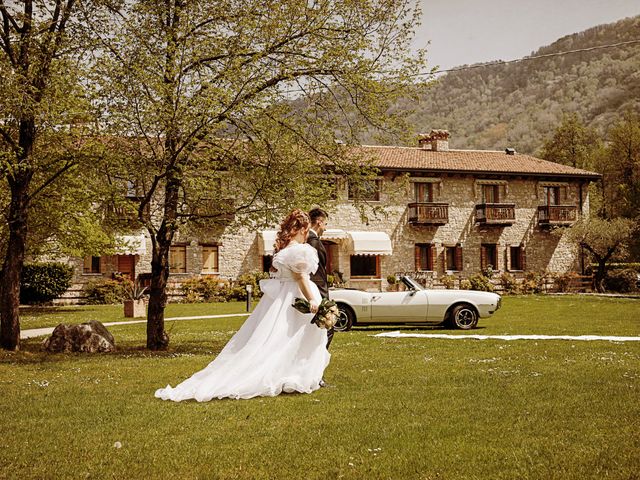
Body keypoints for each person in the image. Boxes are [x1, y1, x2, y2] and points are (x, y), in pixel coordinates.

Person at [155, 209, 330, 402]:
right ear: (303, 228)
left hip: (280, 299)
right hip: (294, 298)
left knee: (277, 338)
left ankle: (286, 375)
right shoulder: (298, 250)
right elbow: (300, 277)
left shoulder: (284, 249)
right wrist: (312, 299)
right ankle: (289, 375)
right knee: (289, 337)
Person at [306, 207, 334, 350]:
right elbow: (316, 272)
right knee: (327, 330)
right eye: (325, 224)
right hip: (317, 291)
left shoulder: (305, 240)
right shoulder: (314, 242)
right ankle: (316, 365)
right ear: (319, 222)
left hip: (312, 290)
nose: (325, 228)